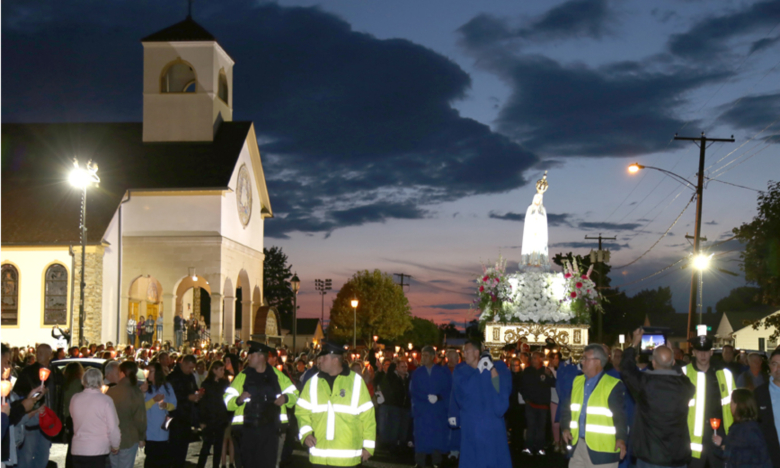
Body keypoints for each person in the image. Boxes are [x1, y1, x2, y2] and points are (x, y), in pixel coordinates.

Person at [620, 328, 695, 468]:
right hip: (677, 457)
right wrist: (671, 355)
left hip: (651, 457)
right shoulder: (685, 386)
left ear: (653, 363)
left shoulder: (644, 384)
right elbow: (683, 377)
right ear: (673, 362)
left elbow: (626, 368)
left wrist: (634, 344)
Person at [296, 341, 376, 467]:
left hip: (347, 459)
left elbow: (368, 417)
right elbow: (301, 412)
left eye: (323, 357)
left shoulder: (356, 382)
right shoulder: (312, 383)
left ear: (335, 360)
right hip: (319, 458)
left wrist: (368, 447)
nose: (319, 360)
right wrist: (306, 434)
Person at [223, 341, 298, 468]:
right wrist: (238, 400)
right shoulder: (242, 376)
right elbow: (227, 399)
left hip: (271, 431)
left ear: (261, 357)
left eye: (251, 355)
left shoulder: (277, 376)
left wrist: (285, 398)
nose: (248, 358)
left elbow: (295, 394)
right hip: (247, 431)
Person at [561, 344, 628, 468]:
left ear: (597, 362)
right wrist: (565, 427)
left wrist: (621, 439)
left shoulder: (612, 385)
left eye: (585, 358)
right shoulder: (577, 381)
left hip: (602, 451)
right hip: (578, 446)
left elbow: (620, 416)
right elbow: (567, 408)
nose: (582, 361)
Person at [448, 340, 512, 468]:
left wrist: (492, 369)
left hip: (492, 425)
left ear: (477, 353)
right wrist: (480, 371)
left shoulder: (498, 367)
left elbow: (502, 393)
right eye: (463, 351)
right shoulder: (460, 370)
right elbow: (461, 392)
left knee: (493, 458)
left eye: (467, 351)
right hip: (472, 425)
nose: (464, 354)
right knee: (473, 459)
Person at [682, 335, 736, 468]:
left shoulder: (725, 374)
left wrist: (728, 438)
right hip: (691, 441)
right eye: (699, 351)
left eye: (706, 351)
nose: (703, 355)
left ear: (711, 352)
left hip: (719, 438)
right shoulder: (683, 373)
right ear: (693, 353)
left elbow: (735, 407)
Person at [13, 343, 64, 468]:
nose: (38, 355)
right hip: (32, 419)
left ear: (50, 355)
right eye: (37, 352)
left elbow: (61, 396)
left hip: (49, 419)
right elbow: (18, 394)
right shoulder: (28, 372)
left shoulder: (56, 373)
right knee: (26, 456)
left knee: (43, 455)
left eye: (41, 352)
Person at [70, 367, 122, 468]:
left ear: (83, 381)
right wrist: (115, 445)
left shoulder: (75, 398)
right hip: (98, 450)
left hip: (78, 449)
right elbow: (113, 427)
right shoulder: (106, 400)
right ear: (100, 381)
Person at [410, 345, 451, 468]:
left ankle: (436, 461)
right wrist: (425, 398)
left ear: (433, 357)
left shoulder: (442, 372)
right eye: (422, 355)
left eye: (426, 355)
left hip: (437, 411)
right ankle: (420, 461)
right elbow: (413, 390)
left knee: (437, 436)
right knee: (421, 436)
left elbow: (448, 389)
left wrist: (438, 397)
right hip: (422, 410)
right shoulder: (417, 373)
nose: (423, 358)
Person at [711, 388, 772, 467]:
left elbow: (740, 458)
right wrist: (721, 444)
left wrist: (724, 448)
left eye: (732, 402)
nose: (730, 406)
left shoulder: (744, 430)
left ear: (738, 405)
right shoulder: (750, 427)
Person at [106, 361, 146, 468]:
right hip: (129, 438)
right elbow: (140, 418)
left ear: (122, 373)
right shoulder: (136, 392)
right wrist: (141, 437)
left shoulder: (110, 392)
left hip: (112, 438)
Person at [167, 354, 203, 468]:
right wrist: (187, 397)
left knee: (183, 447)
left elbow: (194, 389)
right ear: (183, 364)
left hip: (187, 416)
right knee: (175, 448)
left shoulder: (190, 377)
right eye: (190, 368)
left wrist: (198, 394)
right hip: (175, 417)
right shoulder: (173, 377)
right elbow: (171, 396)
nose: (191, 370)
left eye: (193, 368)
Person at [521, 351, 556, 456]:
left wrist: (549, 375)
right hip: (530, 404)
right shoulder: (527, 371)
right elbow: (522, 386)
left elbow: (553, 383)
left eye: (535, 358)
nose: (533, 360)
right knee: (531, 426)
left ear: (540, 359)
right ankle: (529, 447)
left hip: (543, 405)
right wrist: (526, 398)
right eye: (532, 358)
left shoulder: (545, 371)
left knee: (541, 427)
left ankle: (540, 448)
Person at [143, 362, 177, 468]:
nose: (148, 374)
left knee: (163, 459)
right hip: (150, 430)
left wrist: (166, 405)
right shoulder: (145, 387)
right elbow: (141, 408)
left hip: (162, 429)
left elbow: (174, 405)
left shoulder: (167, 386)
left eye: (151, 371)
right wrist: (153, 400)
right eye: (147, 371)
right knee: (151, 459)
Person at [197, 361, 229, 468]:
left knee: (218, 447)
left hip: (220, 418)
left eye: (223, 369)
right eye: (220, 369)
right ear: (214, 370)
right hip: (209, 419)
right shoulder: (207, 384)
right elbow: (203, 403)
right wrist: (202, 420)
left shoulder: (224, 383)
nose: (223, 372)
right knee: (206, 445)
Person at [753, 348, 780, 467]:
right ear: (769, 366)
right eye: (775, 364)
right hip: (768, 457)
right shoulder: (760, 394)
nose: (778, 369)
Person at [382, 360, 412, 448]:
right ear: (397, 368)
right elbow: (388, 375)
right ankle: (393, 445)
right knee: (395, 427)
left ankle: (402, 444)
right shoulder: (394, 378)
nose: (404, 369)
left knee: (404, 427)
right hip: (396, 406)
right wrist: (393, 363)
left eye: (405, 367)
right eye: (402, 367)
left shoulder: (408, 379)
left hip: (406, 407)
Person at [63, 361, 85, 468]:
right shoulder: (78, 384)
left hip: (68, 417)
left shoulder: (66, 384)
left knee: (71, 444)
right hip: (76, 417)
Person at [507, 358, 526, 455]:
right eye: (513, 365)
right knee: (513, 426)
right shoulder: (508, 376)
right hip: (511, 405)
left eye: (517, 365)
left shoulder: (522, 376)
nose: (515, 367)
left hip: (520, 405)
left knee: (520, 426)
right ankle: (514, 445)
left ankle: (519, 444)